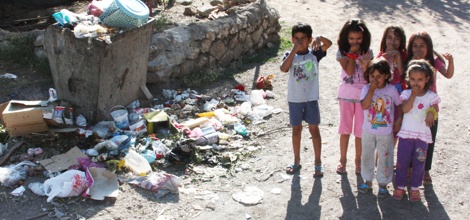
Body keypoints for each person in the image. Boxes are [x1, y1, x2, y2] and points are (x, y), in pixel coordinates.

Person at [280, 22, 332, 177]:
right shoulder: (290, 55)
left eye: (303, 38)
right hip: (295, 99)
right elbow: (283, 68)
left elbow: (329, 44)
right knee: (296, 130)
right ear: (292, 39)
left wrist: (319, 37)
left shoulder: (315, 54)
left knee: (314, 129)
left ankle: (318, 163)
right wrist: (294, 51)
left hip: (311, 99)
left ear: (309, 40)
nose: (299, 41)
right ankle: (296, 161)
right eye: (296, 38)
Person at [404, 31, 454, 185]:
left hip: (430, 108)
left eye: (422, 46)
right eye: (415, 46)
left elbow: (448, 74)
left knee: (429, 139)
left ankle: (425, 170)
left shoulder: (433, 61)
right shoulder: (408, 61)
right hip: (412, 107)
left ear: (428, 47)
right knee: (411, 137)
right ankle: (410, 167)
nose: (418, 49)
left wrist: (450, 61)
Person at [393, 59, 440, 202]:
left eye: (420, 79)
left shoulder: (431, 96)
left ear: (427, 79)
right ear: (408, 79)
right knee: (402, 161)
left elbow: (435, 110)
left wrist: (432, 112)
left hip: (422, 137)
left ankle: (415, 188)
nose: (416, 83)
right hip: (406, 136)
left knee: (419, 162)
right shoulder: (407, 94)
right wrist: (413, 95)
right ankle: (400, 186)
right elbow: (405, 109)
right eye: (413, 79)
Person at [357, 58, 402, 197]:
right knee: (367, 156)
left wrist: (399, 119)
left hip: (385, 131)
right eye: (372, 76)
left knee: (385, 156)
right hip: (368, 130)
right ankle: (368, 180)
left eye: (379, 77)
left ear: (386, 76)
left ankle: (383, 183)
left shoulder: (392, 90)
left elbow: (399, 105)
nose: (375, 80)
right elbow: (364, 106)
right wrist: (371, 89)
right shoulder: (366, 89)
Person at [335, 19, 373, 174]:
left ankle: (358, 161)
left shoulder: (368, 52)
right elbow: (349, 71)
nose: (355, 42)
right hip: (346, 96)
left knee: (360, 132)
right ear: (346, 38)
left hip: (363, 97)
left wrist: (365, 64)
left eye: (358, 39)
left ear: (364, 38)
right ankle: (342, 161)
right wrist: (352, 55)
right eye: (351, 39)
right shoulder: (341, 53)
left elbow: (369, 75)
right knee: (345, 130)